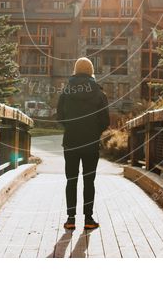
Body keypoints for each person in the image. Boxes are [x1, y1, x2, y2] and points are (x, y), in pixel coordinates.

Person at [56, 57, 110, 230]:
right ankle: (88, 219)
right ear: (91, 71)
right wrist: (94, 132)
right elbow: (105, 120)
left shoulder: (66, 91)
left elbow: (60, 116)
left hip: (71, 142)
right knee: (89, 180)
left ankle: (70, 219)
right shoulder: (99, 93)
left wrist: (71, 127)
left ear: (75, 70)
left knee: (71, 180)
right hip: (91, 143)